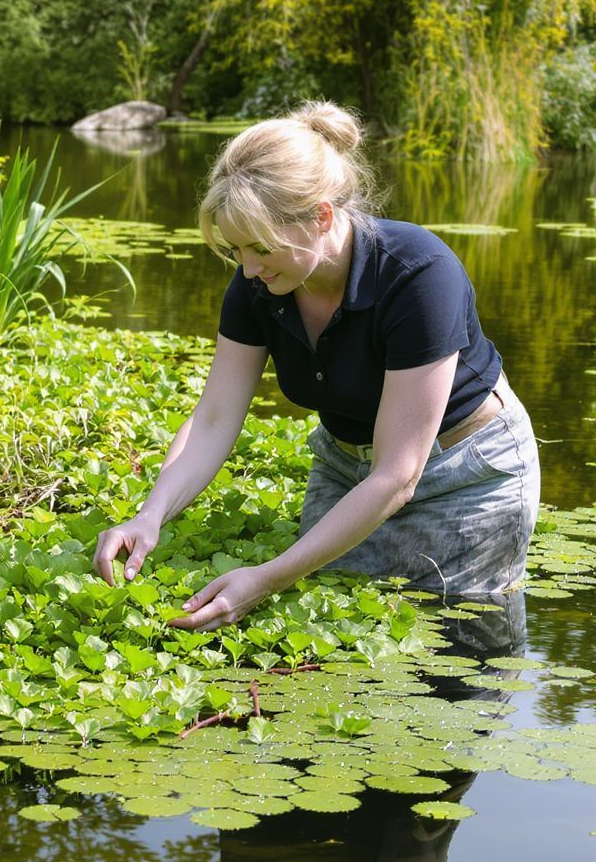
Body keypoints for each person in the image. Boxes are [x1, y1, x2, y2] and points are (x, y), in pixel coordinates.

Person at [92, 101, 540, 632]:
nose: (248, 269)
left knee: (453, 641)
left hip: (463, 477)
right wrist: (151, 515)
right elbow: (214, 418)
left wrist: (266, 578)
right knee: (333, 630)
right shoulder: (259, 282)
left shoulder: (419, 275)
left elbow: (397, 475)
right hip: (347, 469)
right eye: (236, 249)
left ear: (321, 216)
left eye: (261, 247)